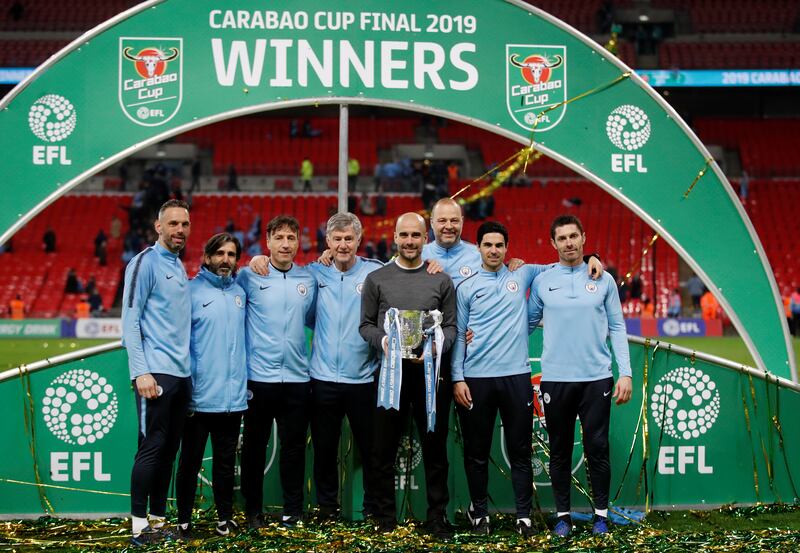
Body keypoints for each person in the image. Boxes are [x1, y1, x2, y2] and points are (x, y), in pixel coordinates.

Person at [527, 214, 632, 538]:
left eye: (574, 236)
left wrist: (624, 373)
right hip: (556, 379)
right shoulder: (544, 280)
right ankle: (563, 517)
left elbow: (617, 327)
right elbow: (527, 323)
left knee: (597, 447)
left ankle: (600, 514)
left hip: (596, 378)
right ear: (553, 243)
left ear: (584, 238)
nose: (569, 243)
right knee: (558, 450)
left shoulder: (604, 279)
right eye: (562, 238)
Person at [359, 212, 457, 538]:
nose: (410, 241)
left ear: (425, 239)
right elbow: (366, 325)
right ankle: (385, 519)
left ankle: (437, 518)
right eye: (405, 236)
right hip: (390, 376)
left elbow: (453, 327)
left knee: (434, 449)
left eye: (416, 235)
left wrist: (436, 348)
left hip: (430, 377)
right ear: (395, 238)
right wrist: (384, 341)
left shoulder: (440, 280)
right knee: (383, 450)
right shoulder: (377, 279)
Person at [450, 222, 551, 537]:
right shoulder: (465, 286)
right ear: (478, 247)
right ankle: (479, 513)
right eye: (488, 245)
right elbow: (459, 337)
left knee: (520, 450)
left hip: (516, 378)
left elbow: (561, 264)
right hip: (476, 379)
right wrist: (457, 378)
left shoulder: (522, 274)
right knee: (477, 452)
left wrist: (593, 257)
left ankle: (524, 516)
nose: (494, 250)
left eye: (499, 245)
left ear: (508, 249)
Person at [237, 215, 317, 529]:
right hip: (259, 378)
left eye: (291, 238)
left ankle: (292, 512)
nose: (285, 244)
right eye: (279, 238)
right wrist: (251, 259)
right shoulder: (248, 276)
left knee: (294, 448)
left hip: (298, 379)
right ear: (267, 241)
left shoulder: (308, 279)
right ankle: (253, 512)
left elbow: (312, 319)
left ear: (299, 242)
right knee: (255, 448)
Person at [121, 199, 192, 546]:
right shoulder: (144, 263)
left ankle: (159, 521)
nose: (180, 230)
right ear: (159, 227)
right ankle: (138, 526)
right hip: (156, 375)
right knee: (151, 448)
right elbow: (130, 320)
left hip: (181, 375)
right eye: (174, 223)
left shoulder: (178, 266)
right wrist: (141, 372)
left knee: (168, 451)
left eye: (185, 224)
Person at [175, 233, 247, 539]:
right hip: (198, 398)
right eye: (219, 253)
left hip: (232, 401)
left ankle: (224, 520)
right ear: (207, 257)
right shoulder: (189, 292)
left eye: (231, 254)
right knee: (190, 463)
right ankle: (183, 522)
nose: (225, 260)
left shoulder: (241, 292)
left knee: (225, 465)